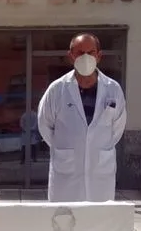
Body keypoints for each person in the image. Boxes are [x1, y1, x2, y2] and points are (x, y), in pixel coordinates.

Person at [37, 33, 127, 202]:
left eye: (90, 52)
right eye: (79, 52)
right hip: (66, 172)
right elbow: (45, 125)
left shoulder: (113, 89)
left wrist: (93, 144)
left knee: (99, 222)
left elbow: (118, 128)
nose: (85, 57)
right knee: (65, 222)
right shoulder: (57, 90)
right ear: (70, 56)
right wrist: (68, 146)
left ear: (99, 56)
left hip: (100, 172)